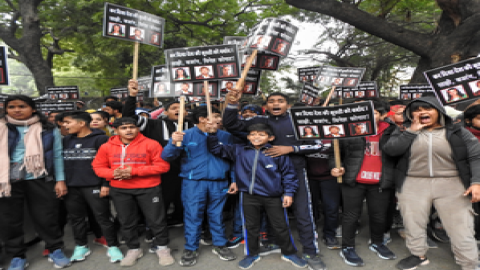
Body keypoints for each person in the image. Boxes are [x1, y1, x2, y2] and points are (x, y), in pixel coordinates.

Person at [223, 91, 326, 270]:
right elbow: (231, 124)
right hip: (264, 177)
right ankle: (271, 243)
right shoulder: (259, 121)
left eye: (280, 101)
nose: (276, 104)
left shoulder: (298, 121)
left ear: (288, 104)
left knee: (303, 213)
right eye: (271, 101)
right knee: (270, 215)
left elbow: (319, 144)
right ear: (266, 105)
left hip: (294, 172)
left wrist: (291, 148)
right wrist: (232, 104)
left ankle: (310, 252)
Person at [383, 96, 480, 270]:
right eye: (417, 110)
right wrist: (411, 131)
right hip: (412, 183)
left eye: (427, 109)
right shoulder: (404, 129)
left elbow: (475, 156)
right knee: (413, 223)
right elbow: (391, 150)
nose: (422, 113)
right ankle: (418, 255)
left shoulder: (457, 131)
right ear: (411, 114)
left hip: (452, 184)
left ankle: (469, 263)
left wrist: (476, 182)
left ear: (438, 111)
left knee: (460, 226)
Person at [207, 123, 307, 269]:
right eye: (253, 134)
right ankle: (252, 254)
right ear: (248, 137)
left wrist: (289, 193)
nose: (256, 137)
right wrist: (212, 134)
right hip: (248, 196)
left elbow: (289, 175)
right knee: (251, 227)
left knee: (280, 226)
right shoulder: (240, 150)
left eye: (261, 134)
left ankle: (289, 253)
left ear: (270, 137)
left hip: (273, 197)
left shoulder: (276, 153)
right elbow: (216, 149)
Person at [92, 117, 174, 267]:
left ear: (138, 128)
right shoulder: (107, 146)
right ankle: (134, 249)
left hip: (148, 188)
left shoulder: (151, 144)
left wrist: (134, 171)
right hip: (120, 189)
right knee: (126, 221)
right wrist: (113, 174)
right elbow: (98, 167)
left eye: (132, 127)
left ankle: (162, 248)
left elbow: (163, 167)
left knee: (156, 220)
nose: (128, 130)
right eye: (124, 128)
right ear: (115, 131)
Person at [0, 95, 71, 269]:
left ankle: (54, 249)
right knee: (10, 220)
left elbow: (56, 155)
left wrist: (60, 180)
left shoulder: (47, 128)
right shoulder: (2, 126)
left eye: (22, 106)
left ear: (33, 109)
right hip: (7, 180)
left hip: (39, 177)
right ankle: (18, 256)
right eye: (12, 107)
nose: (17, 110)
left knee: (46, 215)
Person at [162, 106, 238, 267]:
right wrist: (173, 142)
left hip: (219, 183)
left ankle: (219, 245)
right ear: (202, 119)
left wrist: (233, 179)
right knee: (192, 216)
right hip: (193, 183)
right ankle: (191, 248)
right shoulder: (185, 135)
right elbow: (167, 156)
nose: (219, 120)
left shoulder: (226, 136)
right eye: (216, 116)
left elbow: (233, 160)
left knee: (217, 216)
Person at [331, 99, 397, 267]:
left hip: (381, 182)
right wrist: (335, 167)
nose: (368, 115)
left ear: (382, 115)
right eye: (363, 112)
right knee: (350, 215)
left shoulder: (392, 131)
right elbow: (335, 153)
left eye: (374, 112)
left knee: (378, 215)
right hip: (353, 180)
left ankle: (377, 242)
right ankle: (347, 247)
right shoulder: (350, 130)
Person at [123, 80, 195, 228]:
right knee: (162, 200)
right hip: (163, 171)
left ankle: (179, 220)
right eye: (174, 108)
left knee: (183, 199)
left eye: (182, 108)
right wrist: (132, 96)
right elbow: (129, 117)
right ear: (165, 112)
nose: (178, 110)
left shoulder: (193, 125)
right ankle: (156, 229)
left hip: (188, 170)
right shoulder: (154, 124)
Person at [61, 111, 122, 263]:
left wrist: (105, 184)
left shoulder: (101, 139)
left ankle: (113, 245)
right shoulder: (65, 140)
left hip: (95, 185)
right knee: (76, 219)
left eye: (68, 122)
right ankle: (81, 245)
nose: (64, 125)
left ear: (81, 123)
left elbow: (110, 163)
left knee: (103, 217)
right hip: (72, 186)